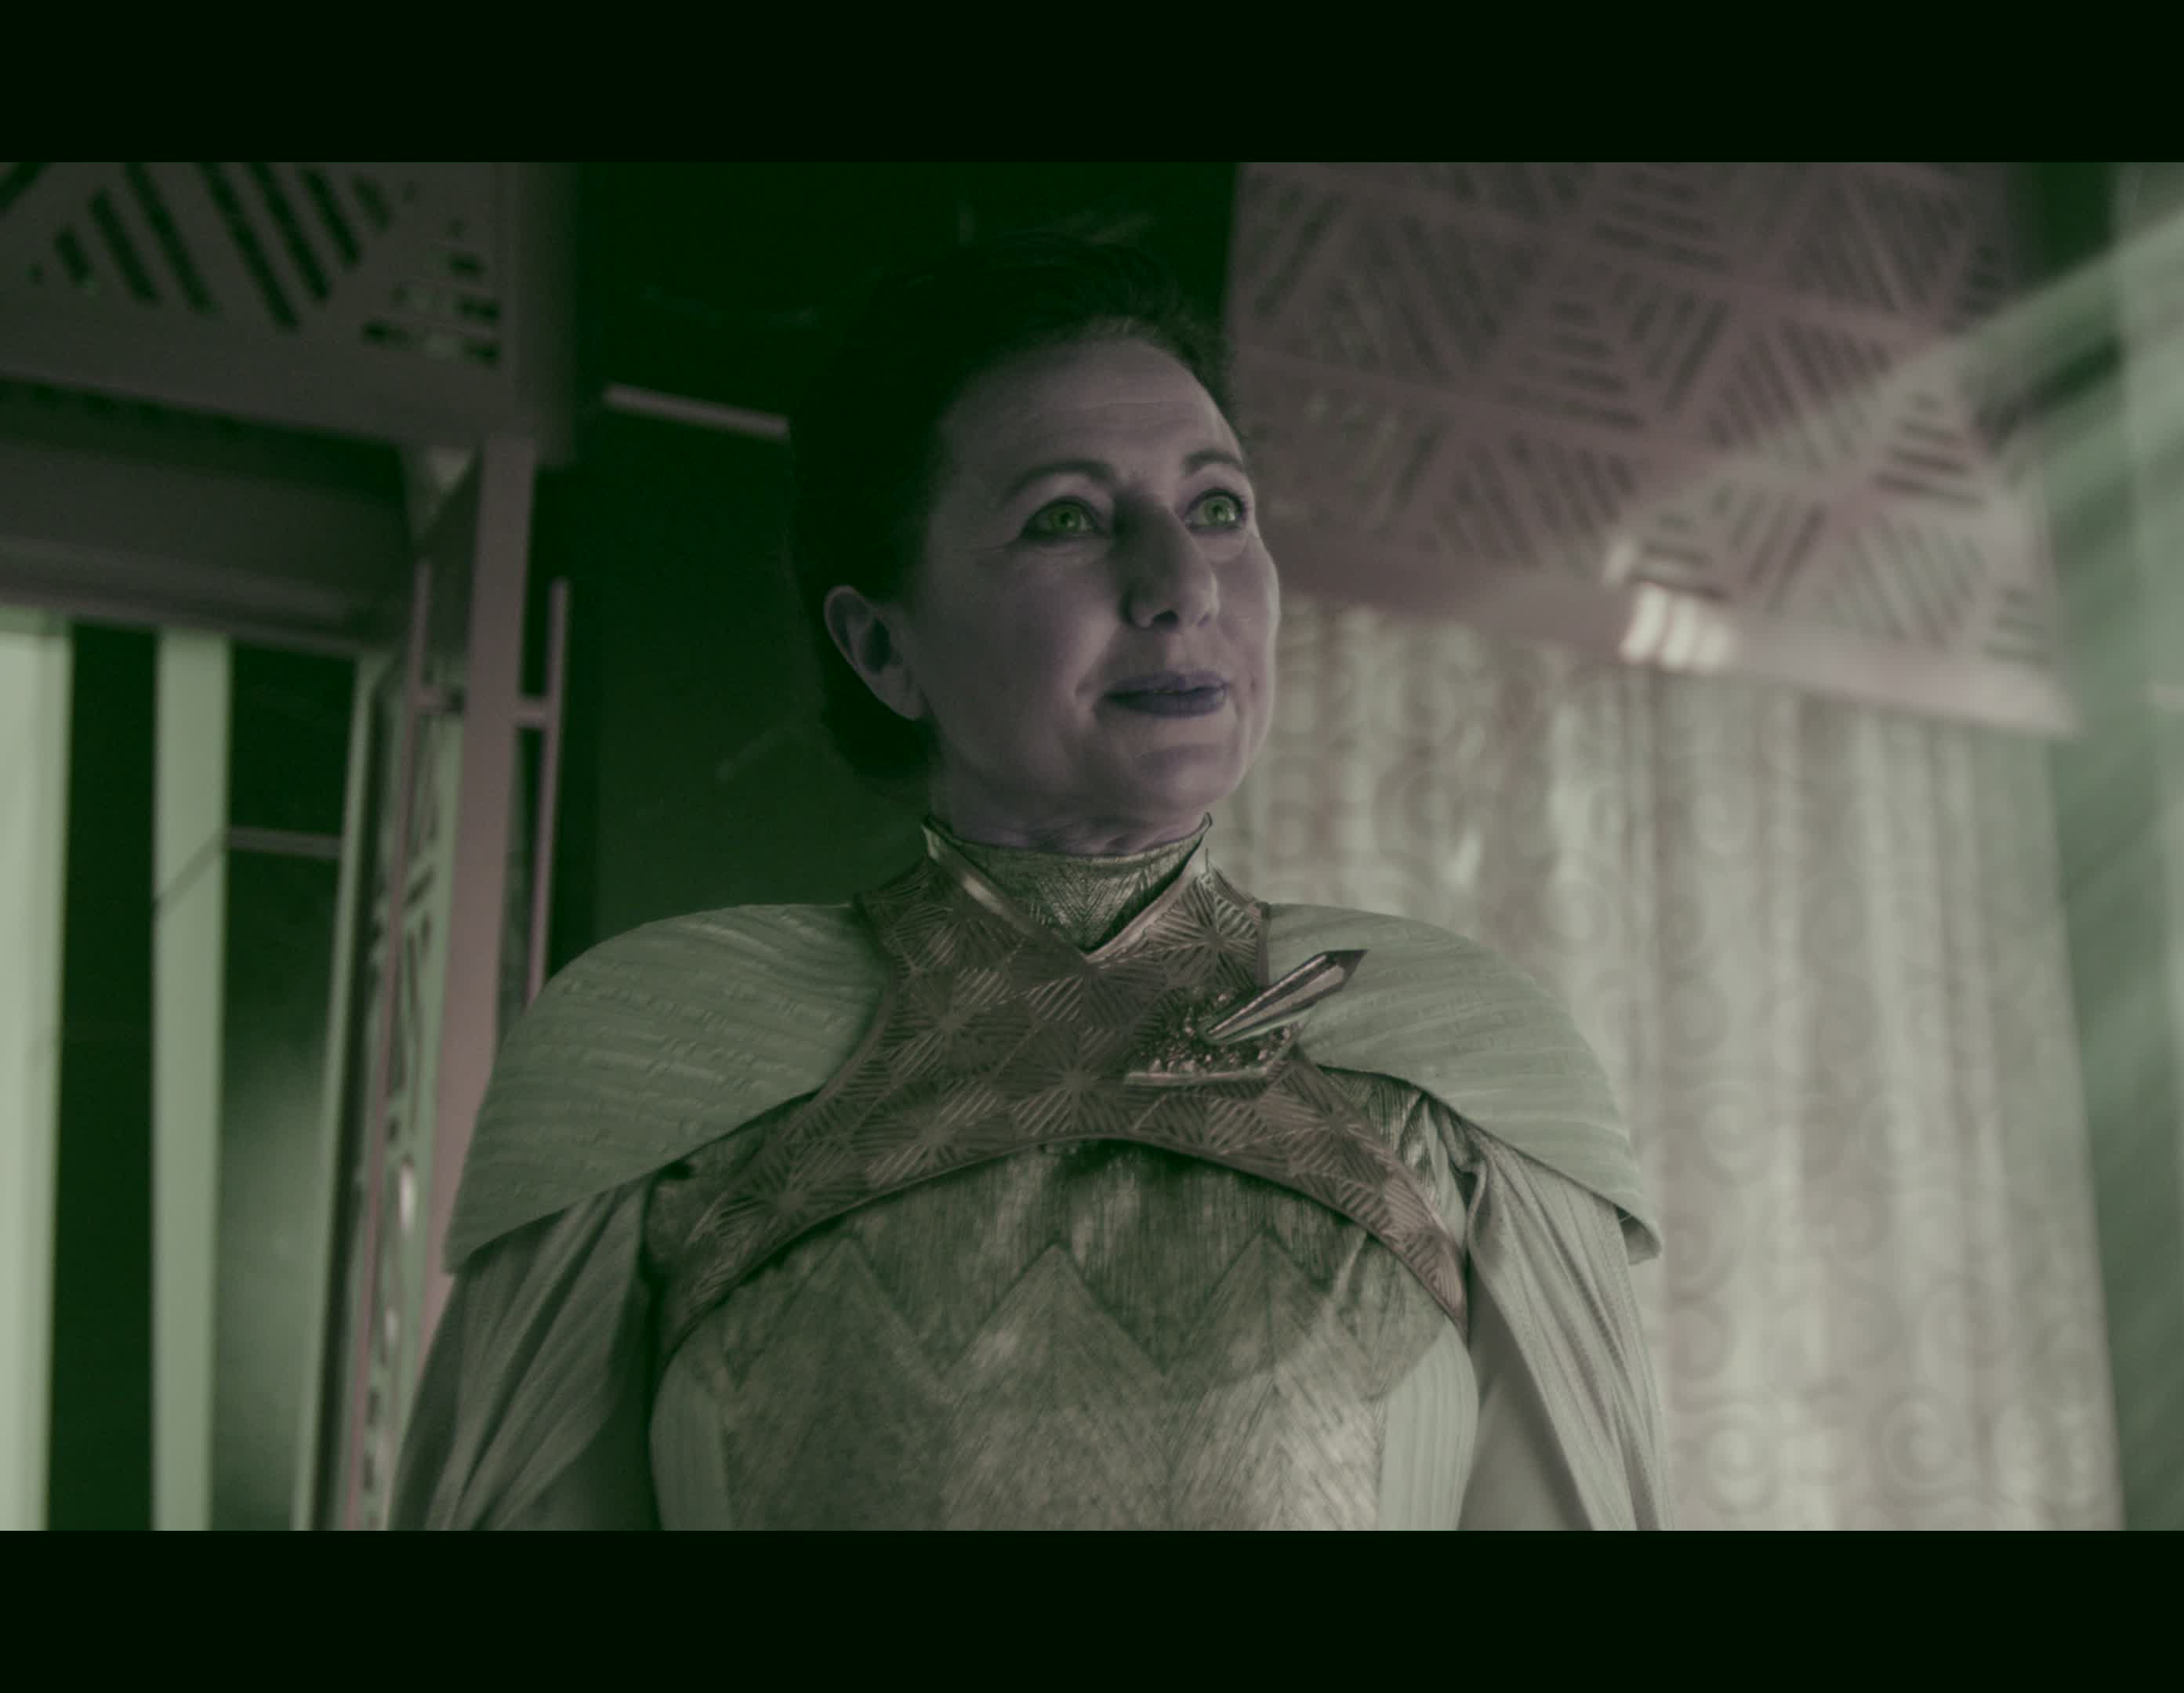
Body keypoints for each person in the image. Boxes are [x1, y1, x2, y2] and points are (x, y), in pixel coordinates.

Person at [388, 234, 1667, 1529]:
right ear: (881, 646)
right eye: (1066, 519)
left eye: (1219, 507)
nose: (1183, 585)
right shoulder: (657, 1060)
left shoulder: (1463, 1078)